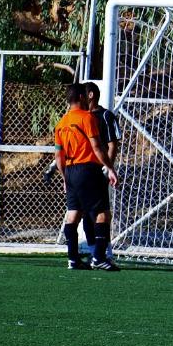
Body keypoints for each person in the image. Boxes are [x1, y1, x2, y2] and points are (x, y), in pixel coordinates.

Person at [54, 83, 120, 271]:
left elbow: (58, 156)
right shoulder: (87, 117)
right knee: (102, 214)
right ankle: (99, 257)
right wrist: (110, 168)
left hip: (70, 170)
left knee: (73, 214)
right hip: (88, 169)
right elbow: (97, 147)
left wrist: (65, 177)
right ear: (82, 97)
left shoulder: (61, 123)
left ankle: (73, 259)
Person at [81, 81, 121, 259]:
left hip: (99, 171)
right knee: (86, 213)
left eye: (82, 93)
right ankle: (93, 252)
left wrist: (107, 167)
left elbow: (112, 145)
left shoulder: (106, 116)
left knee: (101, 213)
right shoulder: (81, 117)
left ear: (90, 95)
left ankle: (105, 252)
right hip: (83, 171)